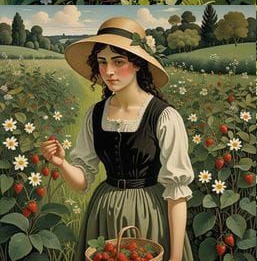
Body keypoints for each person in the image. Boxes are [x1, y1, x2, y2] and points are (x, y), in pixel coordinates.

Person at [41, 17, 194, 261]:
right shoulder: (95, 114)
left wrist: (174, 259)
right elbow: (82, 182)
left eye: (118, 61)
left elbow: (177, 194)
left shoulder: (164, 116)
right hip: (104, 213)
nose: (108, 71)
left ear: (137, 64)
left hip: (150, 213)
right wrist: (62, 163)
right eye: (102, 62)